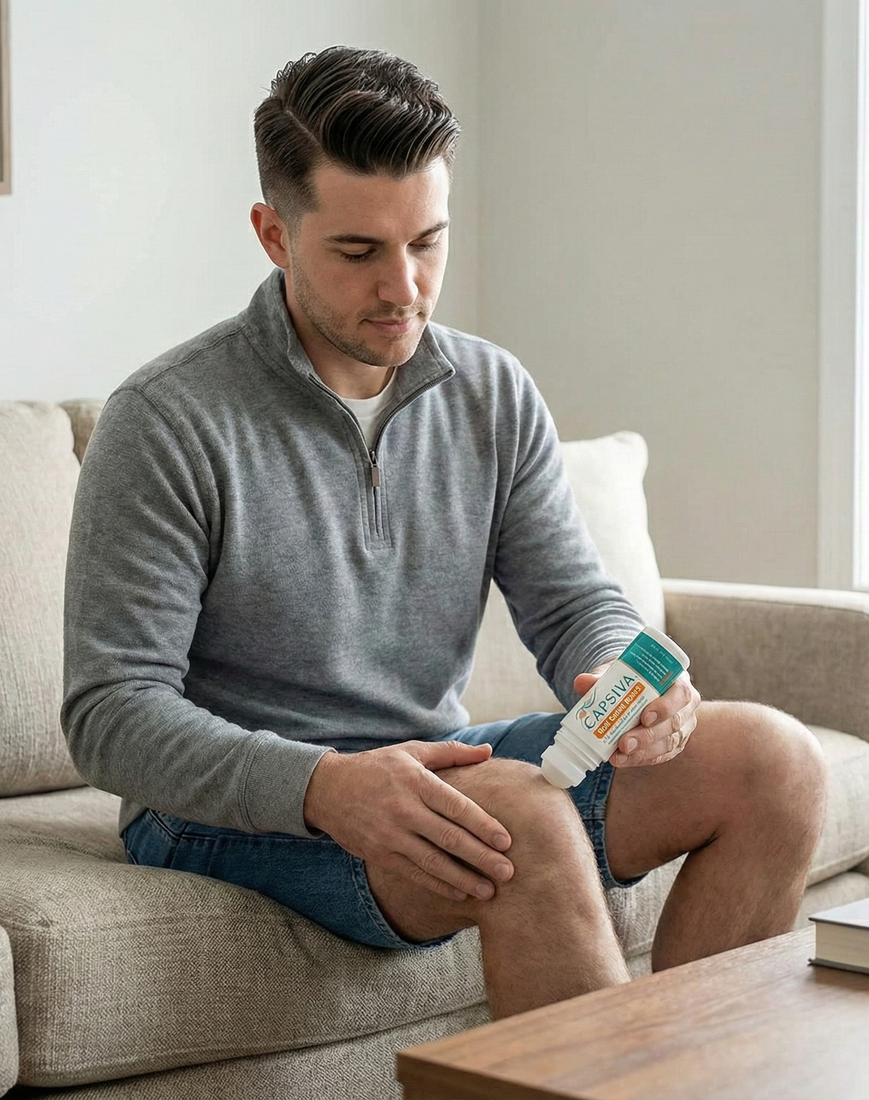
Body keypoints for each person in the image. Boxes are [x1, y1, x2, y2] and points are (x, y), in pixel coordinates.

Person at [62, 45, 827, 1020]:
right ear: (273, 234)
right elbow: (111, 713)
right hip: (229, 812)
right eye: (358, 252)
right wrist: (322, 786)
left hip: (433, 761)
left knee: (774, 763)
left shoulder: (490, 391)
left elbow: (574, 604)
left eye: (427, 242)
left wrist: (619, 673)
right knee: (518, 816)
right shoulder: (168, 419)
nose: (404, 288)